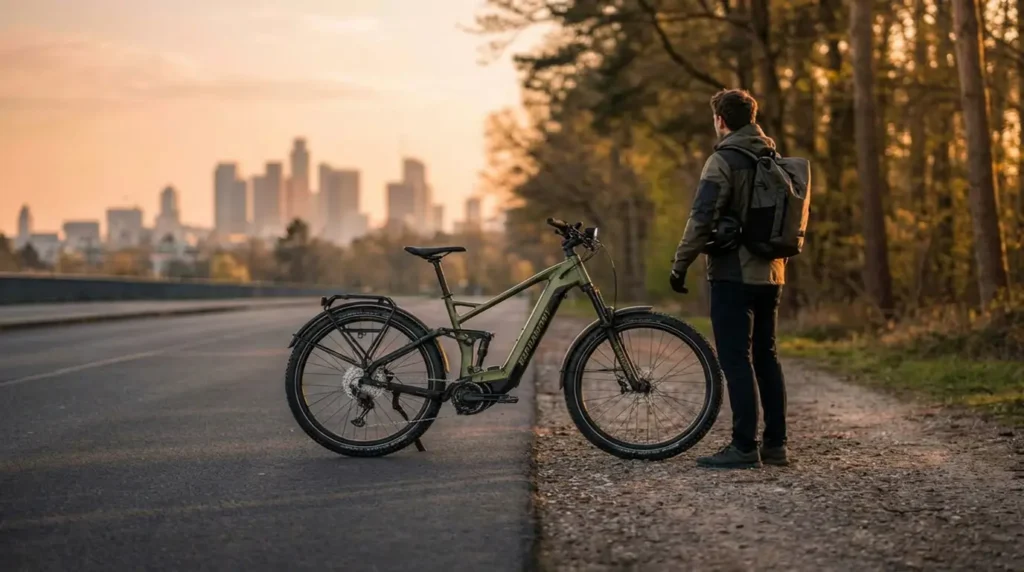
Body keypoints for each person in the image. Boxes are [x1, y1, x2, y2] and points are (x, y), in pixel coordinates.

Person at [669, 89, 789, 469]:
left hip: (732, 273)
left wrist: (680, 263)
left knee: (736, 358)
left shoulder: (722, 161)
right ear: (752, 118)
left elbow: (702, 216)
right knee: (766, 356)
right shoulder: (773, 157)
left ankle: (743, 446)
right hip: (772, 272)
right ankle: (775, 445)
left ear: (720, 120)